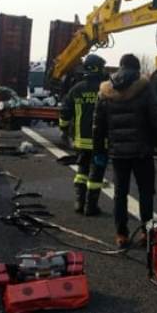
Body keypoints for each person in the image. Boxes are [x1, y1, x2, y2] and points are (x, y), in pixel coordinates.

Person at [93, 54, 157, 247]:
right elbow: (155, 119)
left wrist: (99, 150)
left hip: (117, 153)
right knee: (146, 193)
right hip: (143, 152)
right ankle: (147, 234)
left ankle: (121, 235)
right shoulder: (145, 88)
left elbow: (98, 124)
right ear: (137, 68)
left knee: (120, 194)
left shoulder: (105, 90)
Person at [60, 54, 105, 216]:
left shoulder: (77, 89)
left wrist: (64, 130)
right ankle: (91, 206)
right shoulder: (105, 88)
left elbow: (65, 111)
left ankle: (79, 202)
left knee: (82, 172)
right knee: (96, 173)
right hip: (101, 142)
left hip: (81, 141)